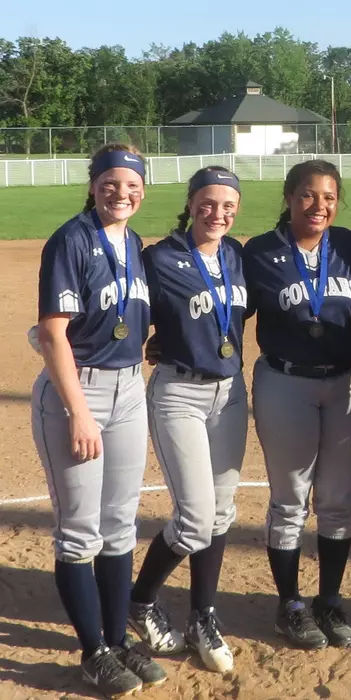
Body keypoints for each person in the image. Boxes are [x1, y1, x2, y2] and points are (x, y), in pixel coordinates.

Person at [29, 144, 166, 697]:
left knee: (120, 525)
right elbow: (54, 332)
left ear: (143, 191)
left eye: (132, 185)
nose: (121, 193)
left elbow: (124, 316)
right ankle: (93, 653)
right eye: (110, 183)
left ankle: (116, 639)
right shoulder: (71, 239)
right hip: (77, 392)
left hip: (129, 388)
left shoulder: (132, 243)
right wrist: (78, 412)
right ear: (93, 185)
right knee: (80, 530)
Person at [243, 160, 351, 650]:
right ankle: (290, 604)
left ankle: (330, 600)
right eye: (308, 195)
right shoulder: (261, 252)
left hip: (348, 383)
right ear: (289, 197)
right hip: (285, 382)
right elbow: (226, 308)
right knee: (290, 499)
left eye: (329, 197)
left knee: (338, 500)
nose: (319, 206)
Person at [127, 166, 248, 674]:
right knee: (196, 516)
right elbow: (128, 312)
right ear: (191, 201)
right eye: (208, 201)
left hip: (230, 393)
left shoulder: (236, 255)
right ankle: (141, 598)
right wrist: (154, 342)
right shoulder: (159, 258)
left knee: (221, 513)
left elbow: (235, 313)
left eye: (227, 204)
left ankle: (205, 617)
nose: (217, 212)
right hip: (179, 392)